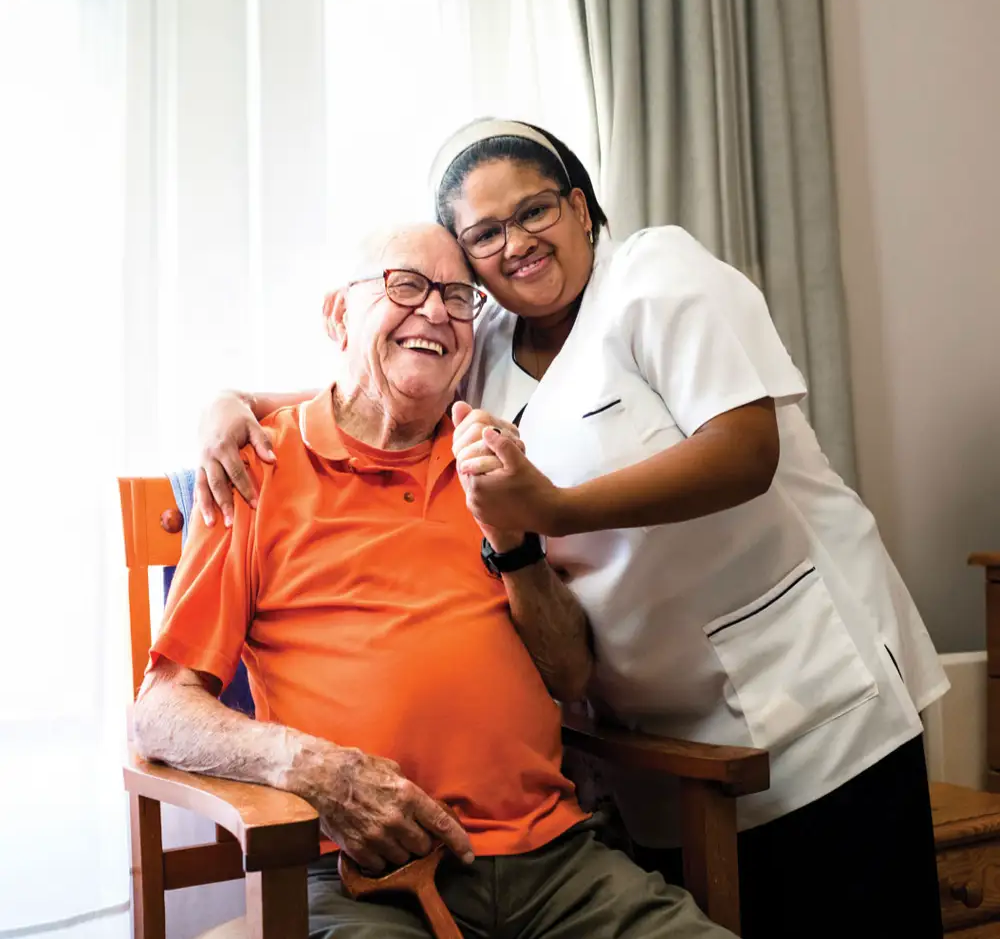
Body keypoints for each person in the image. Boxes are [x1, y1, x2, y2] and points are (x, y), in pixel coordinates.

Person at [197, 120, 948, 938]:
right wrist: (232, 402)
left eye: (536, 210)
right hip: (649, 733)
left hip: (811, 687)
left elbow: (745, 451)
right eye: (485, 233)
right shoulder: (480, 339)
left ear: (582, 208)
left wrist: (549, 513)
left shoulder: (656, 273)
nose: (516, 243)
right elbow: (373, 369)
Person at [134, 222, 735, 939]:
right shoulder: (254, 467)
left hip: (558, 862)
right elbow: (161, 710)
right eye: (405, 285)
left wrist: (514, 538)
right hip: (363, 874)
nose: (435, 311)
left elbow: (571, 673)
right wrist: (313, 768)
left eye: (457, 296)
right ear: (337, 315)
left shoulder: (495, 463)